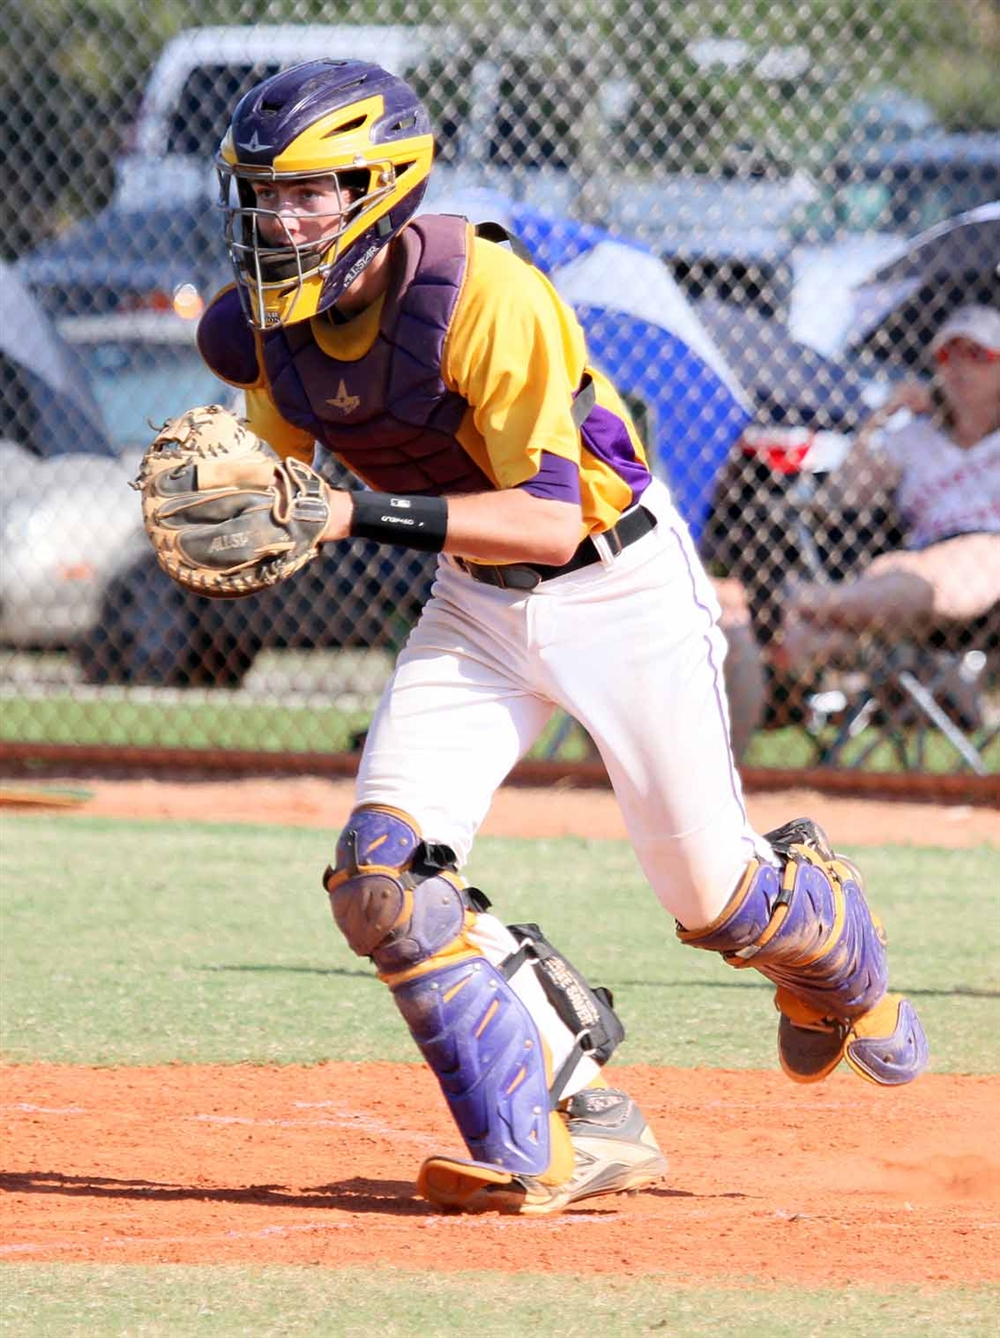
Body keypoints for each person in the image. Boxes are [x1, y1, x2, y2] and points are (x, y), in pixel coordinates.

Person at [195, 59, 928, 1217]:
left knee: (712, 897)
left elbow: (546, 516)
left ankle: (826, 932)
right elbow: (283, 488)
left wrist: (347, 512)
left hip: (614, 585)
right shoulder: (266, 334)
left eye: (309, 193)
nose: (278, 220)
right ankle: (571, 1127)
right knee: (381, 877)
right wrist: (237, 521)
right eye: (261, 195)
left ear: (380, 189)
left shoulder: (484, 296)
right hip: (473, 605)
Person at [775, 305, 1000, 671]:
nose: (959, 367)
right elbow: (839, 500)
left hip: (991, 559)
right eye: (947, 354)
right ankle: (823, 628)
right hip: (922, 554)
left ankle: (814, 604)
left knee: (976, 560)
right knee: (893, 571)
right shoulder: (911, 437)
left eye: (978, 355)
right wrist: (882, 415)